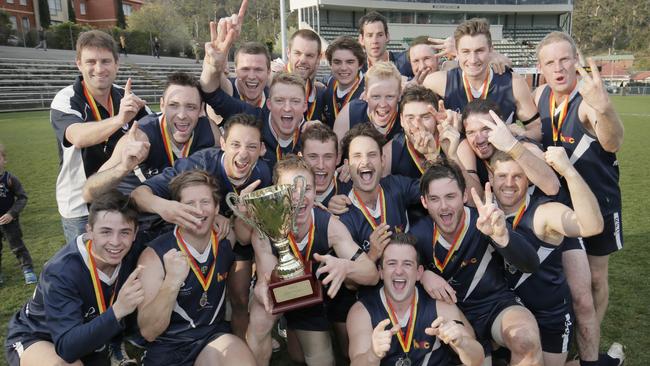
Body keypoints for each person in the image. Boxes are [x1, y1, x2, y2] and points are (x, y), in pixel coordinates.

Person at [534, 31, 626, 366]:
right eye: (550, 62)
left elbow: (613, 141)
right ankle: (575, 329)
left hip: (598, 200)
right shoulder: (540, 95)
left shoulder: (587, 102)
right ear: (541, 68)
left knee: (596, 276)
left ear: (576, 60)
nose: (558, 68)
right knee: (569, 276)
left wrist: (606, 109)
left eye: (564, 59)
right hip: (562, 202)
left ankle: (591, 333)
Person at [246, 155, 379, 366]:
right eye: (291, 189)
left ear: (315, 191)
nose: (300, 197)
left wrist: (347, 267)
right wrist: (263, 286)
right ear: (276, 191)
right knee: (260, 318)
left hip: (312, 297)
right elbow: (270, 279)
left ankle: (293, 330)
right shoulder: (264, 228)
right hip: (282, 292)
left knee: (320, 361)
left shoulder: (330, 226)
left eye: (306, 189)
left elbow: (371, 274)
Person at [410, 159, 543, 365]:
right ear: (424, 202)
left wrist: (502, 237)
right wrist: (423, 275)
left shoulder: (484, 221)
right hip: (451, 315)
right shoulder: (419, 234)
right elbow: (396, 272)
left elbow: (531, 264)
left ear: (464, 196)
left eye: (450, 196)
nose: (444, 206)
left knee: (525, 340)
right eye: (434, 199)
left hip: (494, 304)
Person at [490, 148, 604, 365]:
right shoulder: (486, 212)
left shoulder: (543, 212)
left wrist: (569, 171)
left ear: (529, 180)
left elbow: (592, 225)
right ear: (491, 178)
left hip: (549, 316)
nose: (509, 183)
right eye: (502, 176)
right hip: (505, 313)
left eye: (518, 176)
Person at [4, 190, 144, 366]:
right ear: (90, 231)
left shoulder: (134, 249)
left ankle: (111, 346)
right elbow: (67, 348)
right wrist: (118, 310)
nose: (115, 242)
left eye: (125, 232)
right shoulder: (60, 272)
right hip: (40, 335)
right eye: (106, 232)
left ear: (135, 233)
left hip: (86, 334)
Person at [136, 170, 256, 365]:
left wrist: (241, 213)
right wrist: (171, 283)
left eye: (205, 203)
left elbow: (243, 235)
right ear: (176, 210)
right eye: (190, 204)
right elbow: (149, 332)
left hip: (211, 337)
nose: (199, 211)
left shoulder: (226, 240)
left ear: (217, 208)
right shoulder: (154, 256)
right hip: (169, 345)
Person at [50, 30, 150, 243]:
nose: (99, 69)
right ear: (79, 64)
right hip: (79, 205)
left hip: (119, 199)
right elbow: (76, 136)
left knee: (121, 262)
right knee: (87, 269)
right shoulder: (67, 98)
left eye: (105, 61)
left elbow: (159, 126)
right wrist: (119, 120)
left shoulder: (126, 97)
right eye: (91, 61)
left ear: (117, 64)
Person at [347, 232, 485, 366]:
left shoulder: (440, 304)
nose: (399, 271)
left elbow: (477, 360)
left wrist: (462, 343)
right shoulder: (362, 312)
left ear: (419, 273)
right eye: (391, 263)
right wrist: (372, 354)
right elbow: (356, 362)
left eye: (407, 264)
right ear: (381, 272)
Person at [423, 18, 541, 141]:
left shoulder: (513, 83)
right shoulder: (437, 82)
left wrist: (516, 135)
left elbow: (537, 131)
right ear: (456, 53)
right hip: (458, 155)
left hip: (501, 156)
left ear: (491, 50)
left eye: (479, 51)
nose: (473, 59)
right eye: (466, 52)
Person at [456, 99, 560, 204]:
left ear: (502, 125)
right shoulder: (468, 148)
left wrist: (512, 146)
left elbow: (553, 187)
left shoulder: (524, 147)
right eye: (471, 132)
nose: (479, 139)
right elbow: (472, 201)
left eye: (486, 129)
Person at [333, 62, 403, 144]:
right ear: (366, 94)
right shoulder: (351, 113)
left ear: (400, 94)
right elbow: (336, 154)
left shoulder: (408, 114)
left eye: (390, 96)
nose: (383, 104)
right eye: (376, 96)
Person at [0, 143, 36, 285]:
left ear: (4, 160)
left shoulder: (10, 179)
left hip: (10, 222)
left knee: (17, 246)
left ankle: (28, 269)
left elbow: (22, 197)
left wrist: (12, 214)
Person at [299, 123, 351, 207]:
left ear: (337, 159)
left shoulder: (351, 189)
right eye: (313, 157)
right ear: (301, 158)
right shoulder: (290, 194)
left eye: (328, 157)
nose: (321, 166)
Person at [322, 36, 366, 127]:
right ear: (331, 64)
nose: (343, 68)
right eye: (337, 62)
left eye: (350, 62)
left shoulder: (369, 92)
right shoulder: (329, 85)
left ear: (360, 64)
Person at [357, 11, 413, 78]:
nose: (374, 41)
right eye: (369, 35)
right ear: (361, 39)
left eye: (380, 35)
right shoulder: (355, 68)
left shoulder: (406, 62)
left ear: (387, 36)